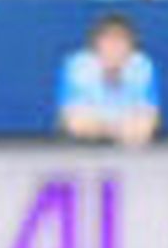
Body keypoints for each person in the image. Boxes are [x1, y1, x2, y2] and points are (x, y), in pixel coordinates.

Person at [57, 14, 160, 148]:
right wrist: (118, 130)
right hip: (81, 149)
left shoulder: (142, 66)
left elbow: (147, 125)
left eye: (121, 40)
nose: (114, 47)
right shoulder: (78, 65)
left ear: (132, 45)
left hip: (130, 151)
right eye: (108, 40)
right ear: (95, 45)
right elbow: (74, 123)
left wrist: (102, 128)